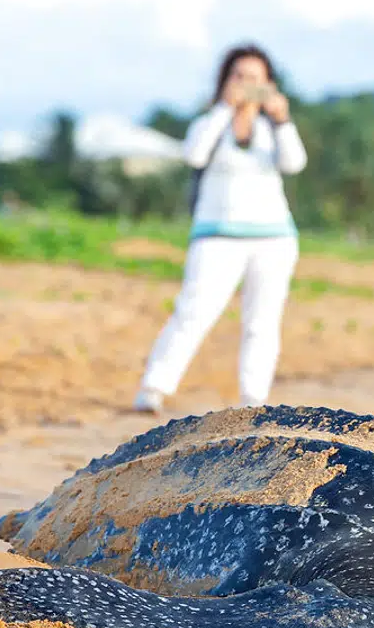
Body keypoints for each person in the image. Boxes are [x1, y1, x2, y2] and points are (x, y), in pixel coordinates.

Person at [132, 43, 308, 414]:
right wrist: (224, 109)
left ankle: (253, 399)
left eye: (254, 78)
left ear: (269, 84)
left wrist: (282, 120)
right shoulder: (209, 124)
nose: (246, 84)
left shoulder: (272, 129)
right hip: (216, 236)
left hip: (273, 237)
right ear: (225, 80)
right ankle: (154, 387)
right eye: (238, 76)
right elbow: (193, 154)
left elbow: (294, 164)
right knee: (193, 312)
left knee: (262, 321)